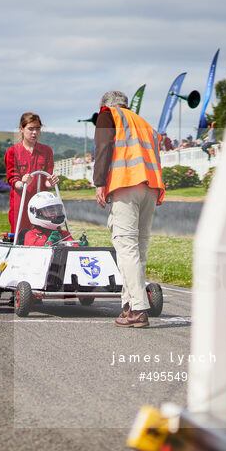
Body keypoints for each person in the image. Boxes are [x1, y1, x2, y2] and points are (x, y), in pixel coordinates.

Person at [93, 90, 165, 328]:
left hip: (126, 185)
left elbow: (103, 148)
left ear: (106, 105)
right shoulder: (143, 123)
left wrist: (100, 183)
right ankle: (128, 306)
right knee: (138, 251)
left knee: (126, 249)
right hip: (150, 187)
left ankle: (138, 309)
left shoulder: (107, 115)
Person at [5, 112, 56, 234]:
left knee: (42, 238)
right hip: (20, 204)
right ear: (21, 129)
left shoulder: (46, 151)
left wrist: (51, 183)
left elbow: (47, 179)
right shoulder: (12, 152)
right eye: (30, 129)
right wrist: (23, 183)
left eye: (37, 129)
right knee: (20, 237)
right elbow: (13, 180)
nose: (34, 132)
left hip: (42, 205)